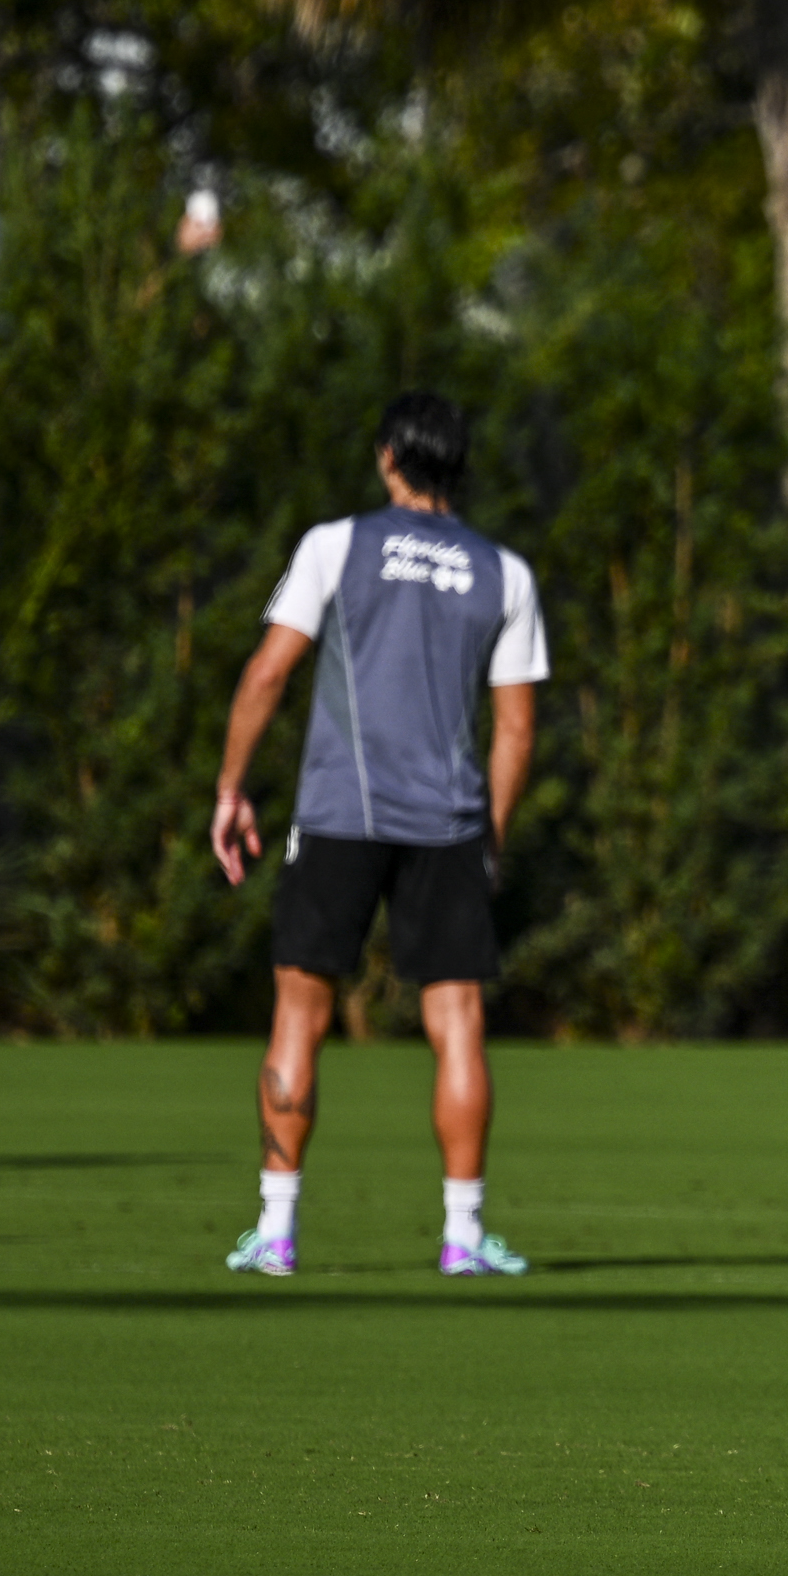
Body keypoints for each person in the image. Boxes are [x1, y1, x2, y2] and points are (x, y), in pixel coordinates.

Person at [207, 392, 548, 1278]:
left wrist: (231, 786)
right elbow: (515, 729)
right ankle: (464, 1237)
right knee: (457, 1022)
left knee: (299, 1011)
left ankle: (277, 1233)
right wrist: (491, 838)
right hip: (447, 824)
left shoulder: (334, 544)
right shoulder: (505, 572)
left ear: (388, 457)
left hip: (336, 815)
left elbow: (269, 669)